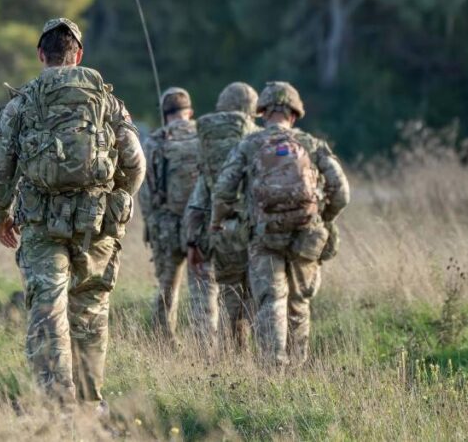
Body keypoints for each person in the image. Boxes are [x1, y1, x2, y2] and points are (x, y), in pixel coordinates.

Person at [0, 18, 145, 407]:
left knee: (46, 306)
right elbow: (135, 161)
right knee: (90, 308)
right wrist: (119, 199)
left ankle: (57, 404)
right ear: (79, 55)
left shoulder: (23, 101)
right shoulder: (106, 100)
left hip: (40, 224)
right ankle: (90, 402)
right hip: (97, 223)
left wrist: (0, 214)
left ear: (41, 54)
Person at [212, 81, 349, 367]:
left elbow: (224, 188)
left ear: (262, 113)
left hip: (264, 236)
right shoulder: (310, 144)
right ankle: (297, 371)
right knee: (298, 303)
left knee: (271, 300)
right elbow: (342, 191)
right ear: (295, 114)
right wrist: (324, 218)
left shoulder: (249, 144)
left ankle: (273, 369)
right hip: (306, 234)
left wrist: (219, 220)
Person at [185, 82, 260, 350]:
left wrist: (193, 238)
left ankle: (219, 353)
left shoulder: (205, 140)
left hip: (213, 227)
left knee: (218, 294)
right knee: (250, 294)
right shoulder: (257, 138)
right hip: (247, 229)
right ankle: (247, 353)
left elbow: (200, 192)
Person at [138, 87, 211, 345]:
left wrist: (150, 223)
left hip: (165, 224)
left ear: (164, 114)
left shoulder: (155, 141)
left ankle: (164, 341)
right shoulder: (204, 137)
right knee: (203, 287)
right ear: (189, 112)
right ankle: (206, 344)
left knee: (167, 288)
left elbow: (145, 190)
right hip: (200, 224)